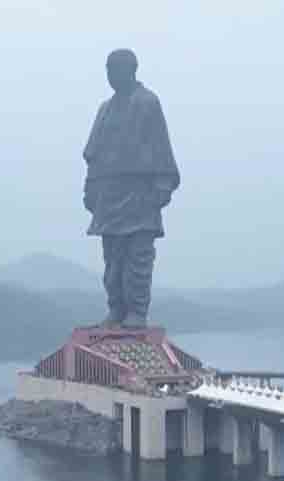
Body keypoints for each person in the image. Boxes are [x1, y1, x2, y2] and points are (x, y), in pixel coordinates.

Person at [82, 48, 180, 329]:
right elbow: (94, 154)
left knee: (137, 255)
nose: (110, 75)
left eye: (115, 69)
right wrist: (90, 188)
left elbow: (160, 146)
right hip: (109, 195)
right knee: (112, 258)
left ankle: (136, 310)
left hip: (139, 192)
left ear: (132, 69)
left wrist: (161, 188)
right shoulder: (105, 109)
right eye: (107, 69)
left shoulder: (147, 103)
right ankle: (116, 308)